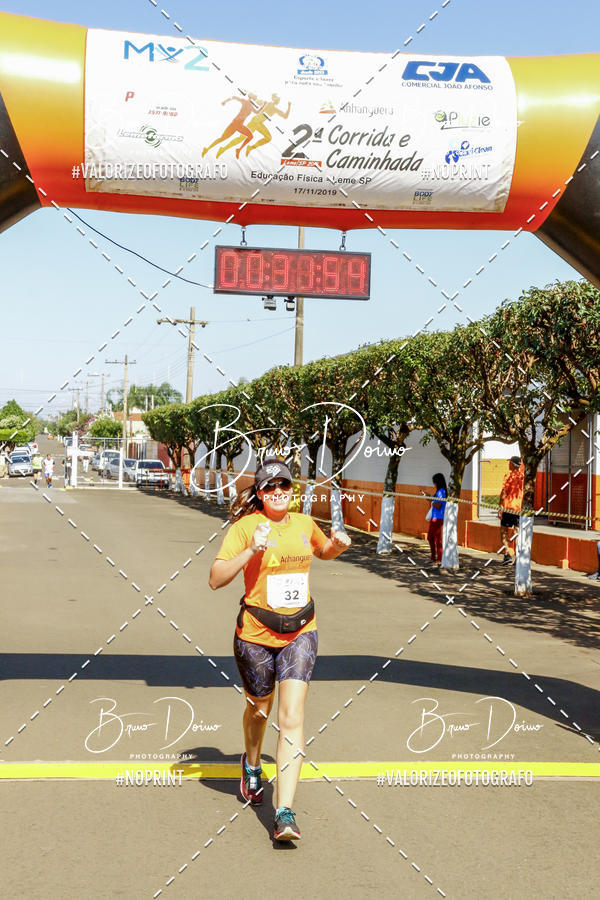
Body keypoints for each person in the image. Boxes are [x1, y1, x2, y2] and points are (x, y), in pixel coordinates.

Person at [209, 458, 351, 842]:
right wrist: (250, 550)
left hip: (300, 632)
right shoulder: (244, 528)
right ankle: (252, 764)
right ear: (259, 493)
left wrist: (336, 546)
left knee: (291, 717)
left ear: (293, 489)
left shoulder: (304, 523)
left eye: (283, 485)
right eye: (269, 487)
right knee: (259, 710)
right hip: (255, 634)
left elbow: (322, 551)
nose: (277, 492)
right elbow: (216, 578)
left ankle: (284, 812)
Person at [499, 456, 524, 564]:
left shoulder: (508, 476)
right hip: (519, 508)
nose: (508, 464)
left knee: (503, 531)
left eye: (510, 463)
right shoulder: (523, 477)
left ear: (513, 464)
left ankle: (507, 554)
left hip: (508, 508)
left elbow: (503, 493)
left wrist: (500, 506)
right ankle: (518, 556)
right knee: (517, 532)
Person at [421, 473, 447, 566]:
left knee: (436, 539)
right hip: (435, 517)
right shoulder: (439, 491)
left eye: (434, 482)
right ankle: (434, 558)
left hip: (438, 518)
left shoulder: (441, 492)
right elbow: (435, 500)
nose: (433, 484)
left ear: (437, 482)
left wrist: (430, 500)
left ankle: (438, 559)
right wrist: (428, 496)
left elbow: (438, 505)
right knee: (431, 538)